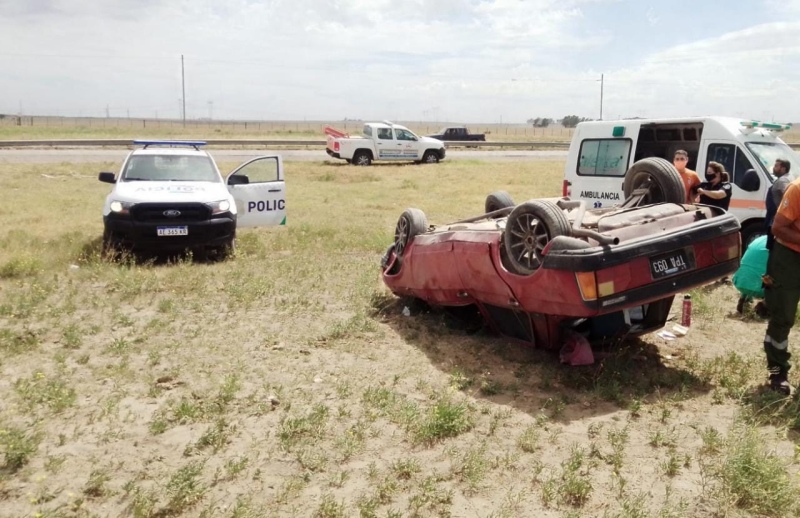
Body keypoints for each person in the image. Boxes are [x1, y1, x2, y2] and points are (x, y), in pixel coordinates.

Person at [763, 174, 800, 395]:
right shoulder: (797, 189)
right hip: (788, 259)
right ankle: (778, 372)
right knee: (782, 316)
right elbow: (778, 227)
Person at [765, 158, 793, 250]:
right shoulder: (789, 177)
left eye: (777, 166)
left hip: (776, 217)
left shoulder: (783, 180)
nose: (774, 168)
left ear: (783, 168)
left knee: (772, 247)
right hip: (777, 216)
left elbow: (788, 193)